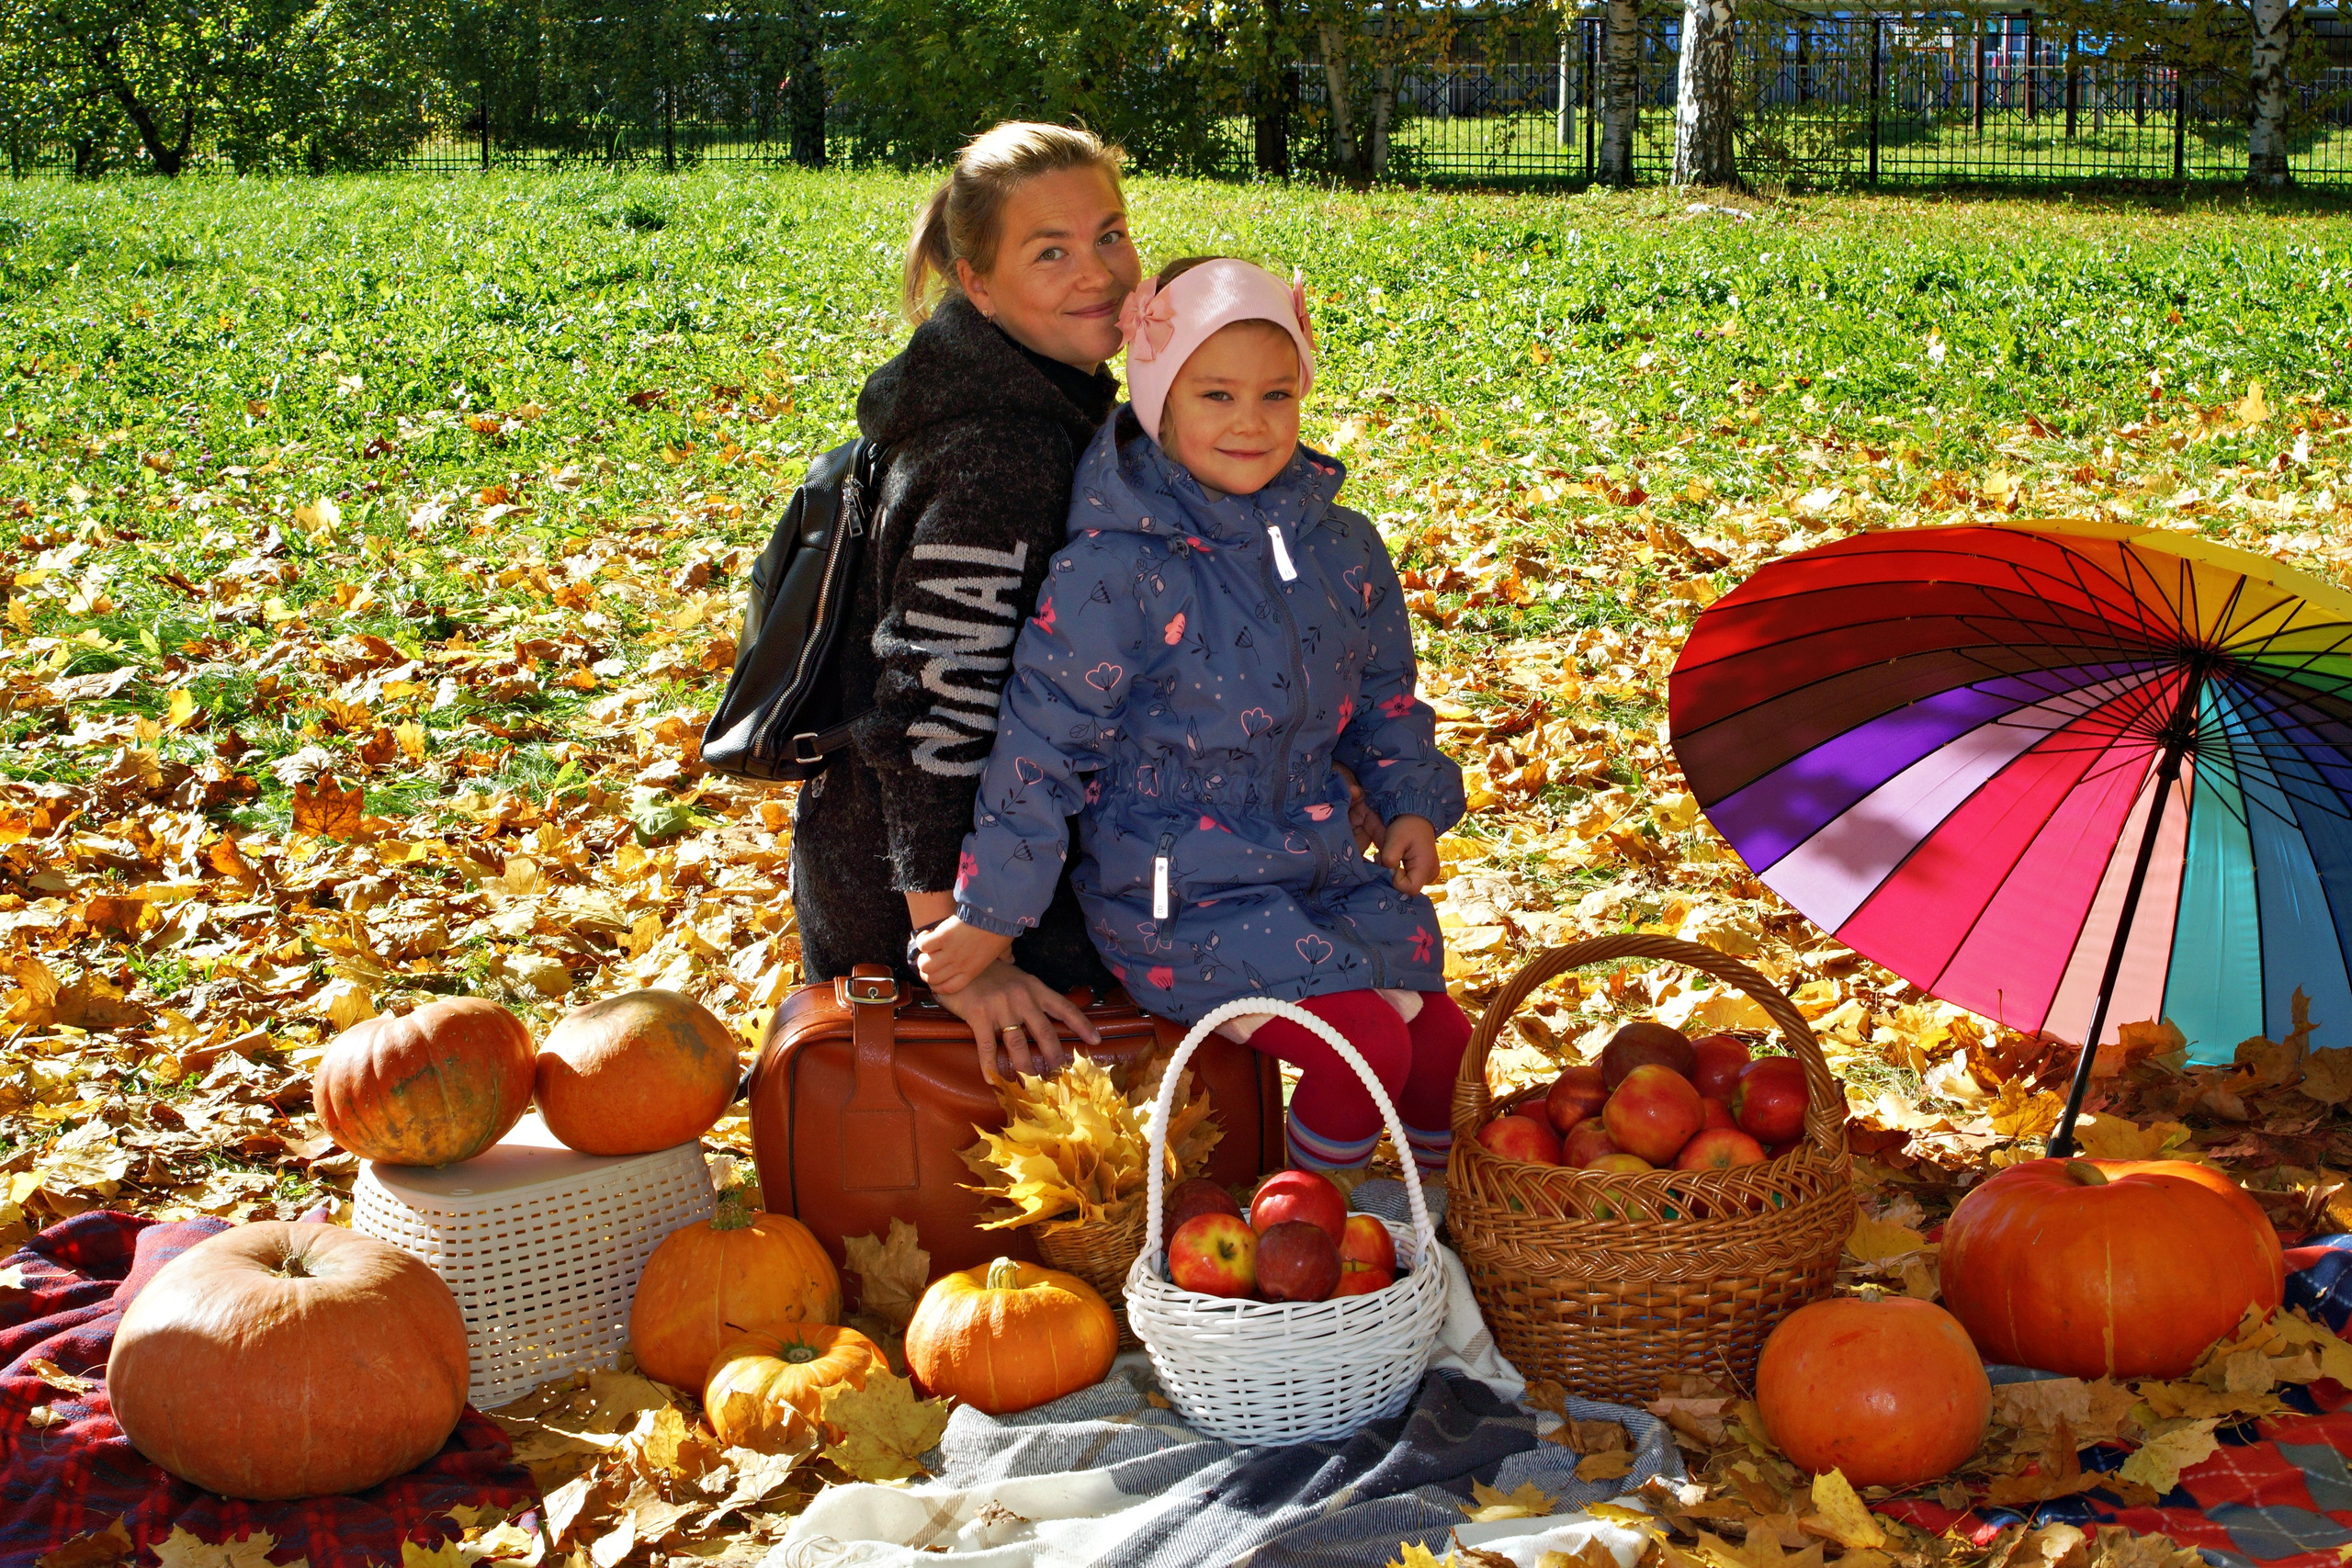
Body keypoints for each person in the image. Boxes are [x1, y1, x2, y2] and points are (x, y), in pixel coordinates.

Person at [915, 257, 1473, 1176]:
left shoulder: (1341, 547)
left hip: (1316, 858)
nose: (1250, 423)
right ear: (1157, 405)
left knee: (1441, 1043)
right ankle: (1313, 1236)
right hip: (1178, 890)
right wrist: (992, 915)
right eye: (1215, 395)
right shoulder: (1115, 568)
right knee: (1361, 1045)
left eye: (1277, 394)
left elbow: (1385, 696)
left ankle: (1436, 1219)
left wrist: (1408, 804)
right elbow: (1041, 745)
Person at [787, 121, 1139, 1083]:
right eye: (1051, 251)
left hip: (992, 863)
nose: (1099, 271)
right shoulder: (997, 453)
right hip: (928, 895)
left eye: (1110, 234)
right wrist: (958, 955)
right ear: (977, 284)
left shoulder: (1045, 398)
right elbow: (933, 704)